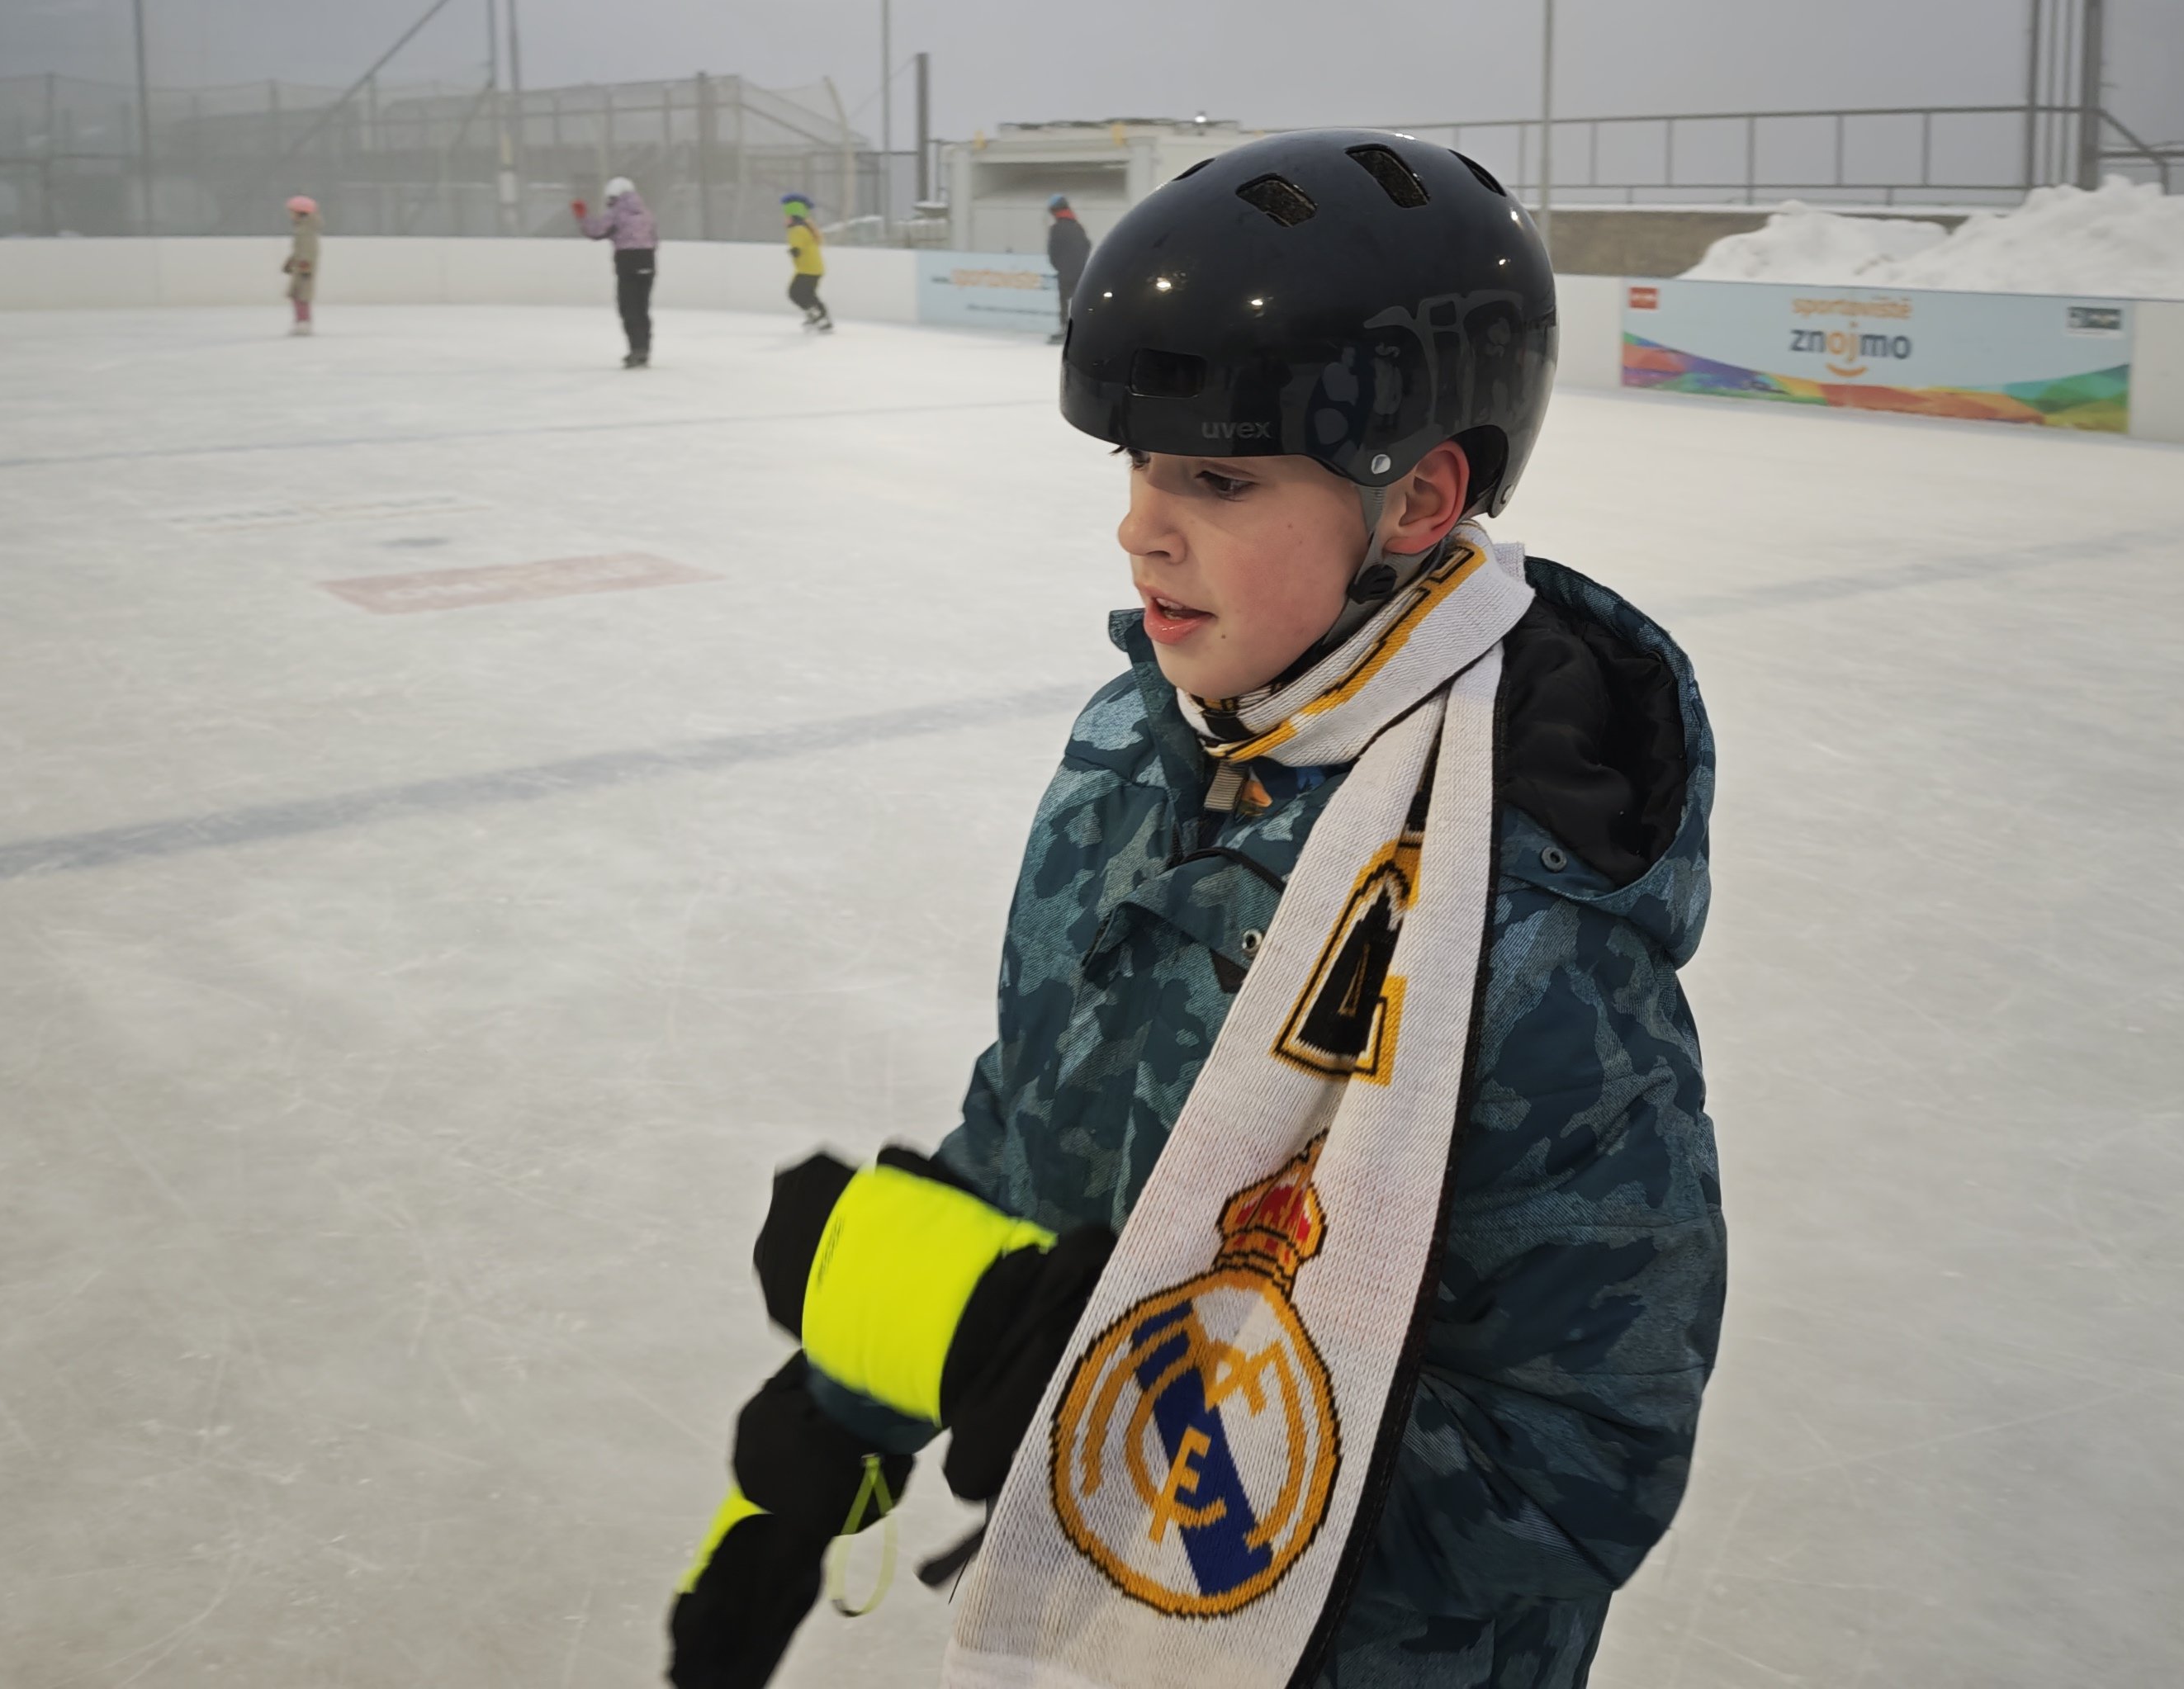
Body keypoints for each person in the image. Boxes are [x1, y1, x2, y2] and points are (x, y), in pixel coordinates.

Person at [667, 131, 1722, 1689]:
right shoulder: (1132, 748)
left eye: (1218, 479)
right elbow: (1041, 1126)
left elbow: (1578, 1469)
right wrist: (843, 1413)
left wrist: (1103, 1401)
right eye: (1139, 465)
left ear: (1420, 497)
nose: (1141, 526)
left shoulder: (1526, 927)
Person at [576, 175, 658, 368]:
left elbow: (596, 232)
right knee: (642, 308)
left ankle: (636, 350)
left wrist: (582, 217)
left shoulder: (616, 213)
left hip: (627, 261)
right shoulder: (646, 213)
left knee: (628, 308)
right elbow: (654, 238)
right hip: (648, 260)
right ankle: (644, 350)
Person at [780, 194, 833, 334]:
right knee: (808, 294)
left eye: (786, 216)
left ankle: (817, 316)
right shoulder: (804, 228)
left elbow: (797, 246)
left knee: (795, 293)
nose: (784, 219)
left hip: (808, 270)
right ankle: (820, 317)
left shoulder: (796, 230)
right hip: (813, 268)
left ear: (792, 217)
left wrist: (794, 251)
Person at [1043, 191, 1091, 342]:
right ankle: (1081, 330)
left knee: (1064, 301)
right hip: (1080, 271)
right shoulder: (1078, 227)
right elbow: (1087, 246)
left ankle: (1065, 329)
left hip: (1065, 272)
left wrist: (1060, 266)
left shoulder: (1057, 228)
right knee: (1079, 302)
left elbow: (1053, 252)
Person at [282, 195, 321, 334]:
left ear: (301, 212)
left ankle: (303, 322)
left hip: (304, 268)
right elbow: (299, 249)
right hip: (300, 267)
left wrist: (305, 264)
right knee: (298, 296)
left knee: (302, 296)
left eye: (292, 212)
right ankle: (301, 321)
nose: (291, 215)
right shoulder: (302, 229)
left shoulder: (306, 230)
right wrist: (291, 261)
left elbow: (308, 248)